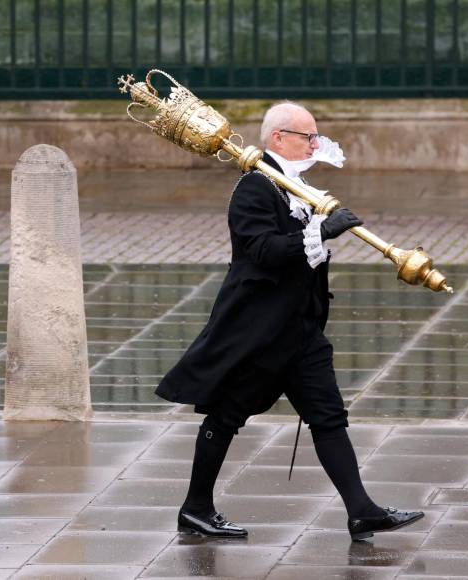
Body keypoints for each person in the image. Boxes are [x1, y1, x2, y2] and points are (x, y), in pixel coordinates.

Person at [156, 102, 424, 541]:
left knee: (329, 417)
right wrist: (322, 231)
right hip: (258, 332)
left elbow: (302, 259)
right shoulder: (254, 189)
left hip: (299, 331)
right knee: (226, 417)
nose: (315, 144)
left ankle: (362, 511)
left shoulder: (296, 187)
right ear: (278, 137)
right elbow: (263, 252)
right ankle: (195, 507)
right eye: (307, 136)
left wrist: (320, 231)